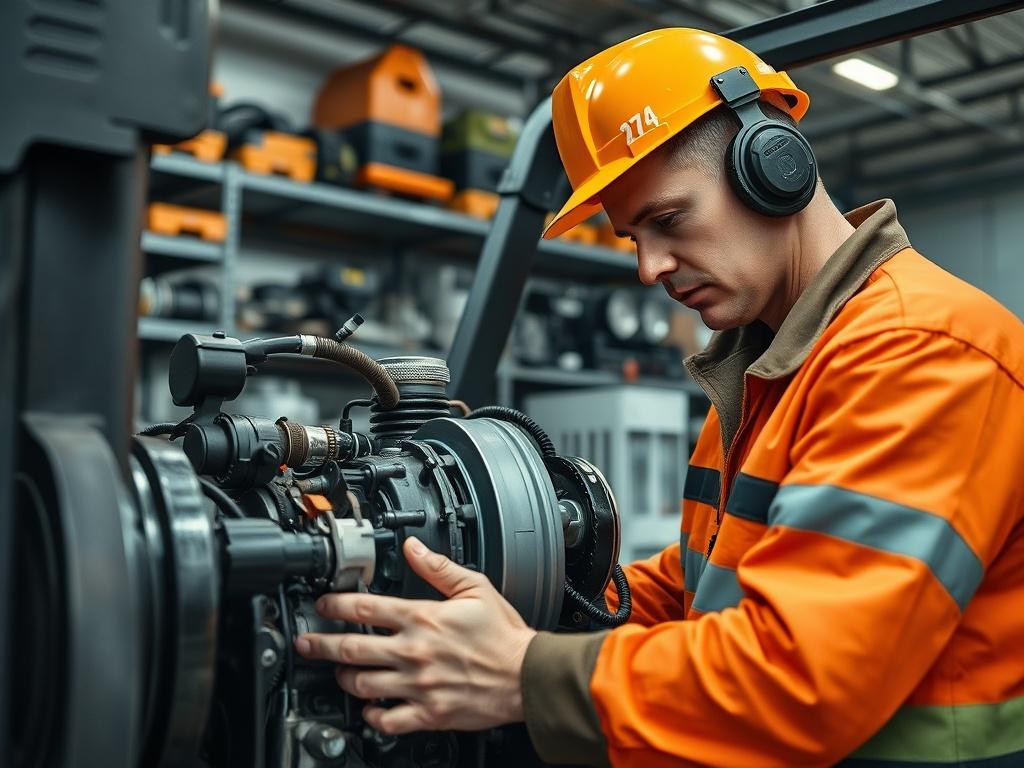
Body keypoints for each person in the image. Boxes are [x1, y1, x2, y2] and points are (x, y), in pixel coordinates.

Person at [295, 28, 1024, 767]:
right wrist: (538, 587)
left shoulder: (922, 350)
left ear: (774, 166)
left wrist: (523, 673)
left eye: (668, 220)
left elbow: (801, 680)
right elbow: (700, 587)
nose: (649, 268)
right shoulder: (765, 366)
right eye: (632, 236)